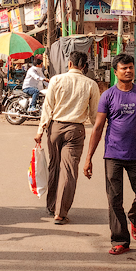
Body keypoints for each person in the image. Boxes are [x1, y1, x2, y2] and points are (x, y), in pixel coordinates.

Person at [82, 54, 136, 255]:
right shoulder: (107, 95)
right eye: (124, 68)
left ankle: (134, 218)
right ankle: (120, 240)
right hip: (113, 154)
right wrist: (89, 158)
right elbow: (98, 127)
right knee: (114, 199)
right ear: (115, 72)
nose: (128, 71)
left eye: (131, 67)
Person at [35, 50, 100, 225]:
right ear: (84, 66)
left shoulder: (56, 80)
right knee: (68, 171)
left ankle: (51, 206)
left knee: (54, 166)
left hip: (55, 128)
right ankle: (60, 212)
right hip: (76, 130)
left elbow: (47, 108)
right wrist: (103, 131)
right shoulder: (91, 84)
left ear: (69, 64)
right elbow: (95, 116)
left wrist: (40, 131)